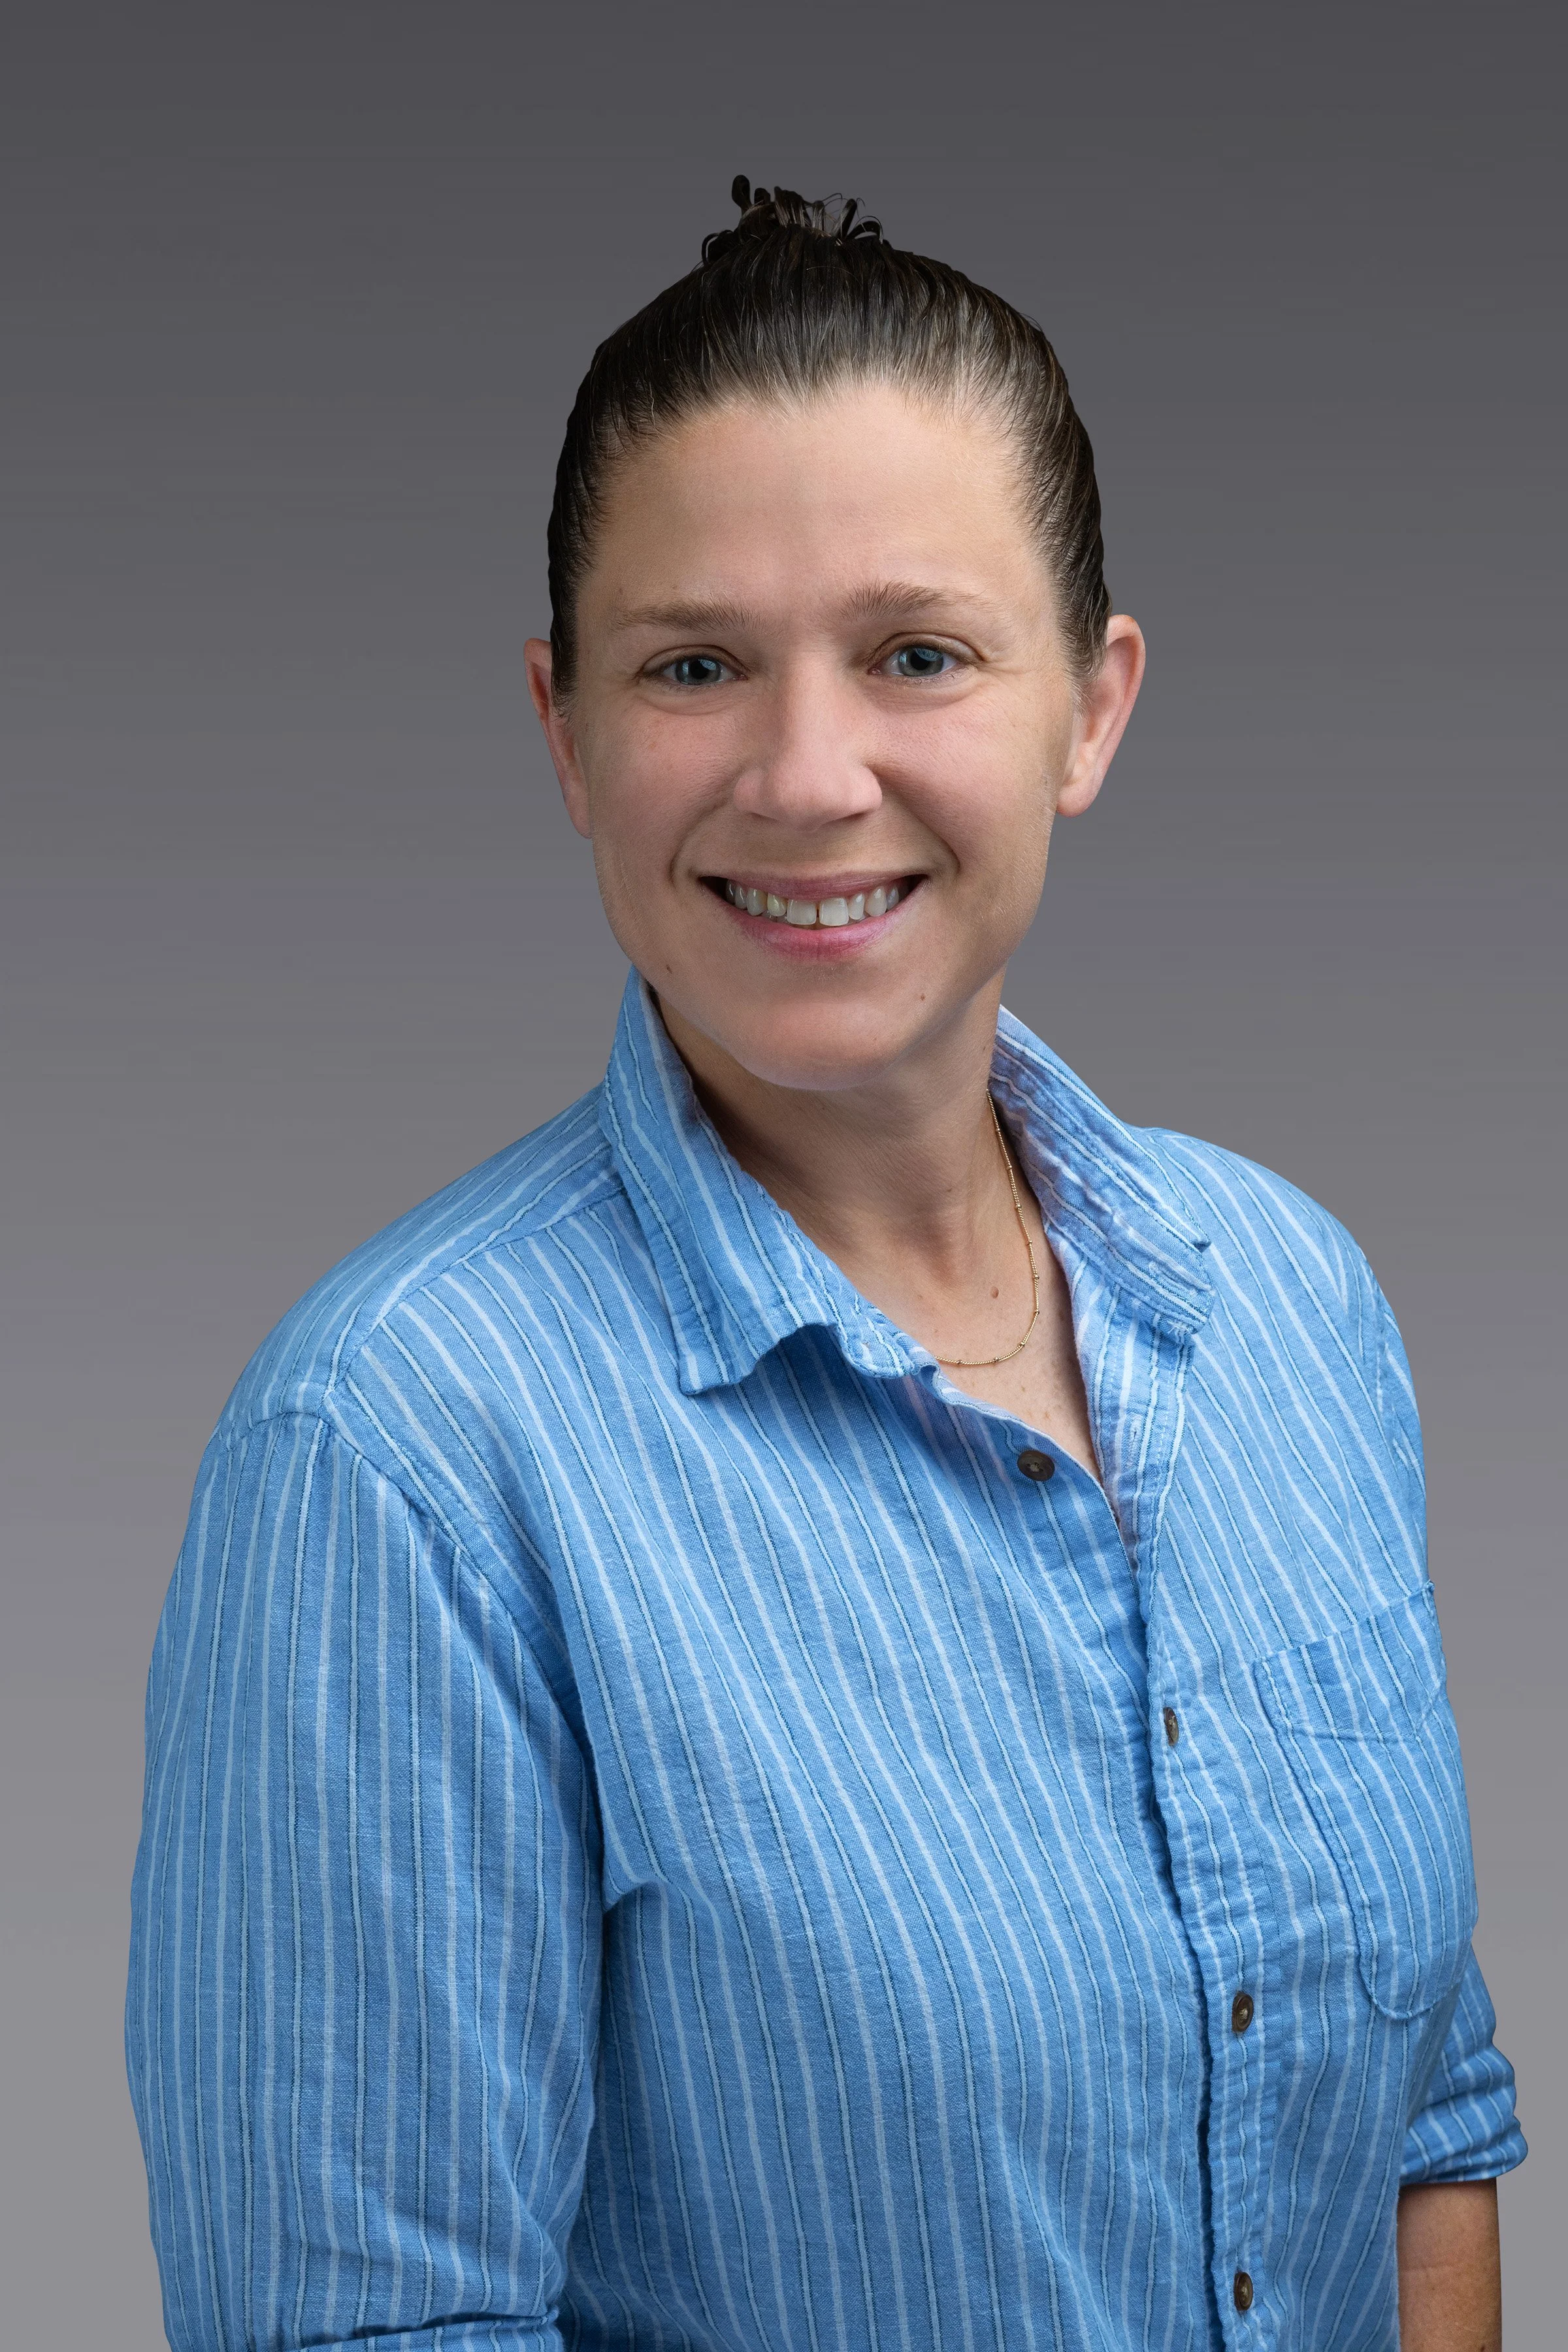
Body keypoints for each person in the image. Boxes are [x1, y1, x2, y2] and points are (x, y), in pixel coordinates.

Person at [127, 180, 1524, 2351]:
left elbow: (1427, 2122)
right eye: (693, 665)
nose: (804, 773)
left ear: (1093, 705)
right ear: (564, 732)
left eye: (917, 654)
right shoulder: (402, 1455)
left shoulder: (1294, 1304)